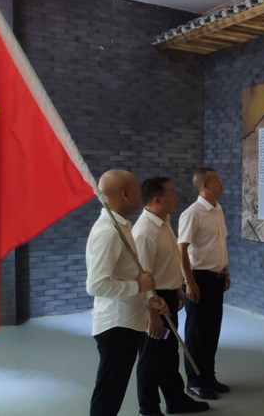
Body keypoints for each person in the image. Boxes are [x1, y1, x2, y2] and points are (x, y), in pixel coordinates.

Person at [86, 169, 168, 416]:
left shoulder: (121, 226)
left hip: (128, 321)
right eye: (135, 188)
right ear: (124, 194)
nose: (140, 193)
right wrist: (138, 287)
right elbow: (96, 285)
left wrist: (150, 299)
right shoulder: (109, 232)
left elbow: (129, 274)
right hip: (116, 326)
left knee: (113, 393)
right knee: (108, 397)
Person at [133, 177, 210, 416]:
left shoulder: (163, 221)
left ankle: (175, 400)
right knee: (150, 357)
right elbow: (142, 277)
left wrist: (176, 288)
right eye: (171, 193)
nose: (175, 196)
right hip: (154, 302)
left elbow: (167, 263)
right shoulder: (144, 232)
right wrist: (152, 314)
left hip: (167, 295)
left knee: (168, 354)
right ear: (157, 200)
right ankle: (148, 408)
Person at [178, 168, 231, 400]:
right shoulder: (192, 213)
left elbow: (220, 244)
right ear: (205, 186)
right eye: (216, 180)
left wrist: (225, 271)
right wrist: (189, 282)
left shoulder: (217, 209)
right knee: (196, 333)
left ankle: (209, 376)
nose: (221, 183)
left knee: (212, 330)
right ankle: (194, 381)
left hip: (216, 278)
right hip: (199, 278)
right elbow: (182, 250)